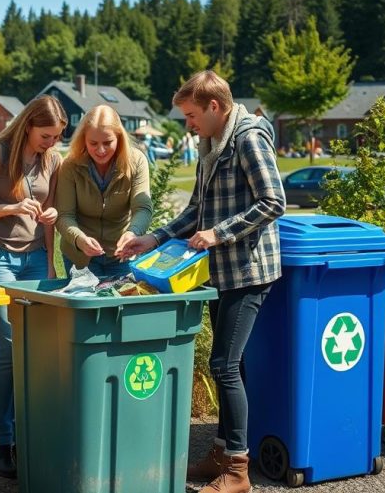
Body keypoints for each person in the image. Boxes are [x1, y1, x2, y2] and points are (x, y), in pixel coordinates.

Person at [125, 71, 286, 493]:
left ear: (215, 107)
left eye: (192, 115)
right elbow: (197, 209)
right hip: (222, 272)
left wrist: (219, 233)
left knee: (224, 365)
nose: (188, 124)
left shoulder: (248, 138)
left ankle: (237, 471)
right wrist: (153, 238)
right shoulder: (209, 143)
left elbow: (274, 202)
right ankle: (221, 451)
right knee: (232, 365)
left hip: (249, 270)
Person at [0, 94, 67, 479]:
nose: (52, 143)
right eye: (46, 136)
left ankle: (28, 437)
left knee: (35, 347)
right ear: (28, 126)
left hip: (36, 258)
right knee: (8, 348)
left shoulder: (52, 160)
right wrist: (9, 208)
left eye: (56, 137)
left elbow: (49, 214)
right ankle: (2, 443)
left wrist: (51, 246)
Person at [55, 105, 153, 278]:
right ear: (83, 139)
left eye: (108, 143)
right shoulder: (70, 165)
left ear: (119, 138)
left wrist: (133, 233)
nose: (100, 150)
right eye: (93, 143)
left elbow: (143, 208)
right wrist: (79, 239)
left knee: (122, 302)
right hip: (81, 256)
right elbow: (64, 215)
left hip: (122, 255)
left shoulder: (136, 161)